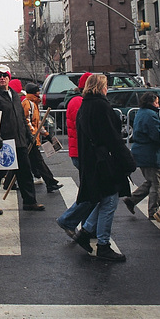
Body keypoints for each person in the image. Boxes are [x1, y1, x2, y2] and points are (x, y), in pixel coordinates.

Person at [73, 74, 136, 262]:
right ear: (101, 87)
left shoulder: (85, 105)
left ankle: (86, 233)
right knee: (109, 201)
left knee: (105, 199)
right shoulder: (101, 106)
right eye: (106, 85)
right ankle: (103, 245)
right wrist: (127, 160)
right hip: (103, 161)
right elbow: (111, 137)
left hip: (93, 160)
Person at [0, 64, 44, 214]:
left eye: (5, 75)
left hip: (19, 140)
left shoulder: (14, 95)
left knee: (25, 171)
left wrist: (29, 134)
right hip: (3, 142)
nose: (2, 78)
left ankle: (29, 201)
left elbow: (21, 117)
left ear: (9, 77)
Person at [56, 72, 95, 237]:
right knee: (92, 193)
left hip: (79, 151)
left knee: (90, 191)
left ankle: (87, 227)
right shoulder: (79, 102)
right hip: (83, 152)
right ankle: (69, 220)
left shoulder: (75, 100)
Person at [122, 91, 160, 220]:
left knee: (151, 180)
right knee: (157, 184)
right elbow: (156, 135)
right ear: (151, 102)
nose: (158, 105)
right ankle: (153, 211)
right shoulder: (151, 115)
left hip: (142, 152)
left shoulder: (142, 112)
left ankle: (132, 200)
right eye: (156, 102)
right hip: (150, 153)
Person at [22, 82, 63, 193]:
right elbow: (27, 121)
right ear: (34, 92)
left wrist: (46, 134)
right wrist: (32, 135)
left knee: (30, 162)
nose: (40, 93)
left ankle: (50, 183)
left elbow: (38, 123)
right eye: (38, 91)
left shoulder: (34, 104)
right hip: (30, 139)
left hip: (33, 138)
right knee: (38, 162)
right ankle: (50, 182)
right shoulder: (27, 104)